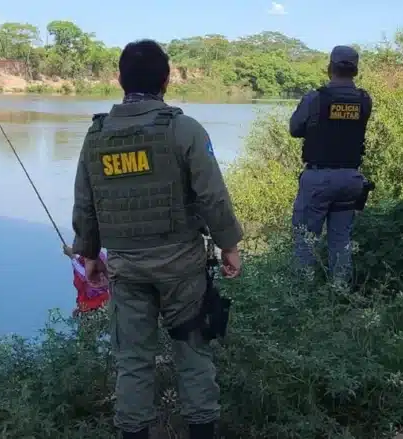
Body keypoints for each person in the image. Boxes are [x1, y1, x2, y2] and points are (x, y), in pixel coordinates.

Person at [66, 39, 243, 439]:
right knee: (192, 351)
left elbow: (85, 201)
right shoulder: (183, 129)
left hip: (126, 267)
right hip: (181, 264)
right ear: (166, 79)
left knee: (133, 360)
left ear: (119, 80)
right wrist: (228, 245)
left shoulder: (97, 136)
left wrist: (89, 254)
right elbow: (212, 195)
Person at [288, 45, 373, 282]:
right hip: (351, 180)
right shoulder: (364, 100)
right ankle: (340, 295)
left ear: (330, 68)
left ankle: (303, 298)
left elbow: (295, 129)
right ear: (355, 70)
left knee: (305, 240)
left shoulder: (315, 99)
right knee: (341, 242)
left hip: (319, 178)